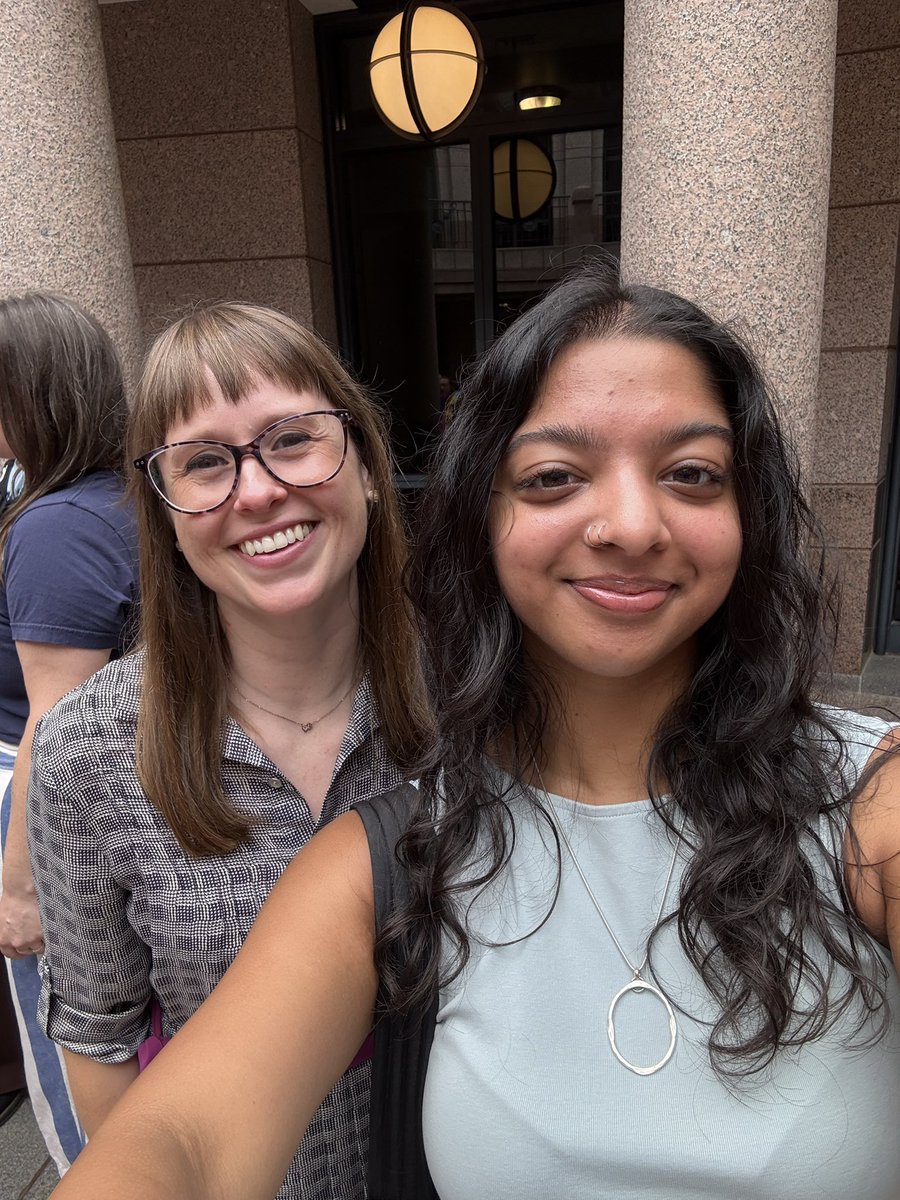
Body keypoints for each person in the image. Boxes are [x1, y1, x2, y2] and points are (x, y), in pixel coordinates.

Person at [48, 264, 900, 1200]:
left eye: (691, 473)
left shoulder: (865, 807)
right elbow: (181, 1129)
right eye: (554, 477)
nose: (627, 522)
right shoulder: (386, 853)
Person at [28, 302, 426, 1199]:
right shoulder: (89, 751)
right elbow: (98, 1036)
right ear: (166, 517)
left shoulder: (478, 692)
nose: (256, 493)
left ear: (363, 464)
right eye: (204, 462)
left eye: (292, 439)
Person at [0, 292, 138, 1174]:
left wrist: (20, 889)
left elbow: (58, 717)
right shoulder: (120, 500)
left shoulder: (56, 528)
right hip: (105, 801)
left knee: (70, 1051)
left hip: (42, 808)